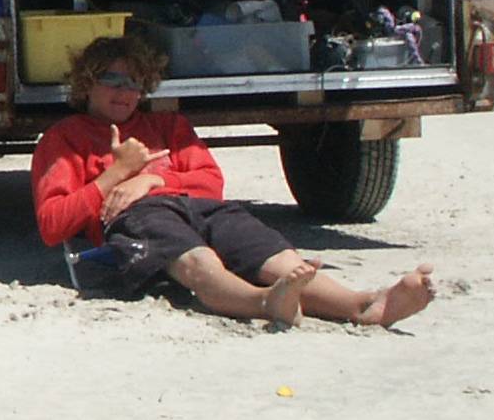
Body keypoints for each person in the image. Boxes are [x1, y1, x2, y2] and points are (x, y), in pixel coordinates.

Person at [30, 34, 435, 327]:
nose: (124, 92)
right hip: (136, 219)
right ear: (87, 84)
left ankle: (363, 304)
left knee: (266, 249)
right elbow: (53, 225)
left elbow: (210, 182)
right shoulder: (64, 139)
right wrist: (116, 176)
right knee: (196, 258)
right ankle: (263, 302)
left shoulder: (167, 124)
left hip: (197, 207)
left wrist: (149, 180)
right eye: (112, 81)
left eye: (133, 83)